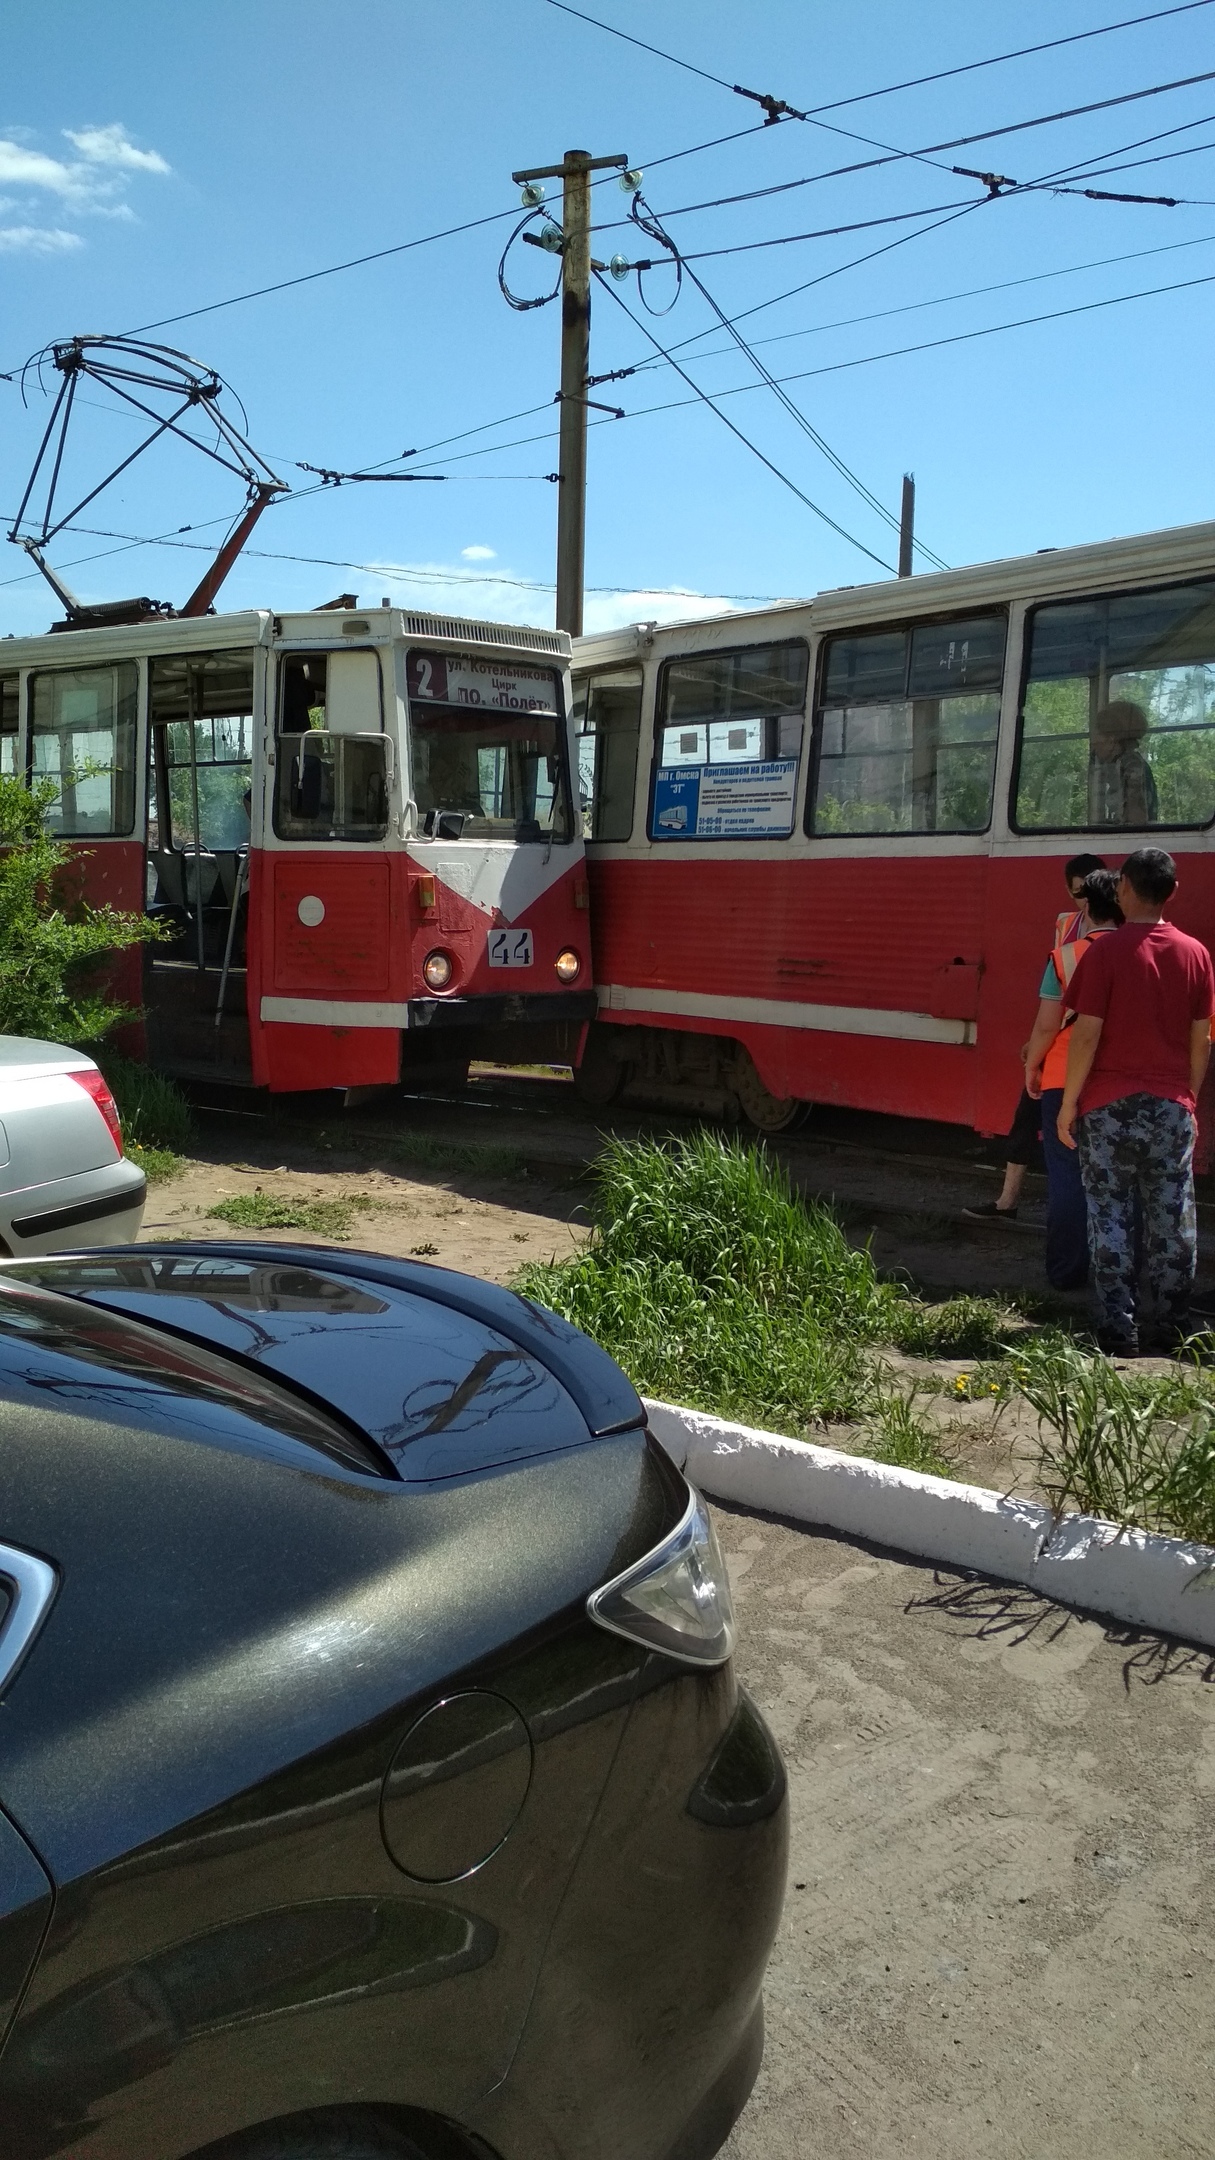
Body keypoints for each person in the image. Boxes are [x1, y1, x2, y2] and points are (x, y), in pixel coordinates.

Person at [1057, 847, 1215, 1354]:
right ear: (1172, 892)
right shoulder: (1195, 954)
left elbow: (1085, 1036)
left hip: (1107, 1108)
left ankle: (1116, 1332)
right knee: (1174, 1219)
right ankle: (1171, 1327)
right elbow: (1202, 1037)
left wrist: (1069, 1103)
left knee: (1110, 1218)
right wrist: (1187, 1096)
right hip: (1171, 1107)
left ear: (1123, 888)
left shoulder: (1103, 952)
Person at [963, 854, 1106, 1222]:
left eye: (1090, 891)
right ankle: (1006, 1201)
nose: (1085, 901)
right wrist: (1036, 1044)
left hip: (1094, 1051)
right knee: (1026, 1116)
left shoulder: (1117, 931)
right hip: (1061, 1046)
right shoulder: (1065, 927)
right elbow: (1051, 997)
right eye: (1078, 893)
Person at [1024, 869, 1123, 1289]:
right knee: (1118, 1180)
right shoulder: (1138, 951)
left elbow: (1047, 1026)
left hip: (1063, 1078)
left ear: (1087, 906)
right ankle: (1117, 1276)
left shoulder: (1064, 956)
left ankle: (1065, 1274)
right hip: (1117, 1080)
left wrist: (1033, 1064)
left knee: (1066, 1177)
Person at [1088, 700, 1158, 827]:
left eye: (1097, 734)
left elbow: (1135, 821)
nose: (1094, 743)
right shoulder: (1115, 764)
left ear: (1111, 739)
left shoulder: (1132, 765)